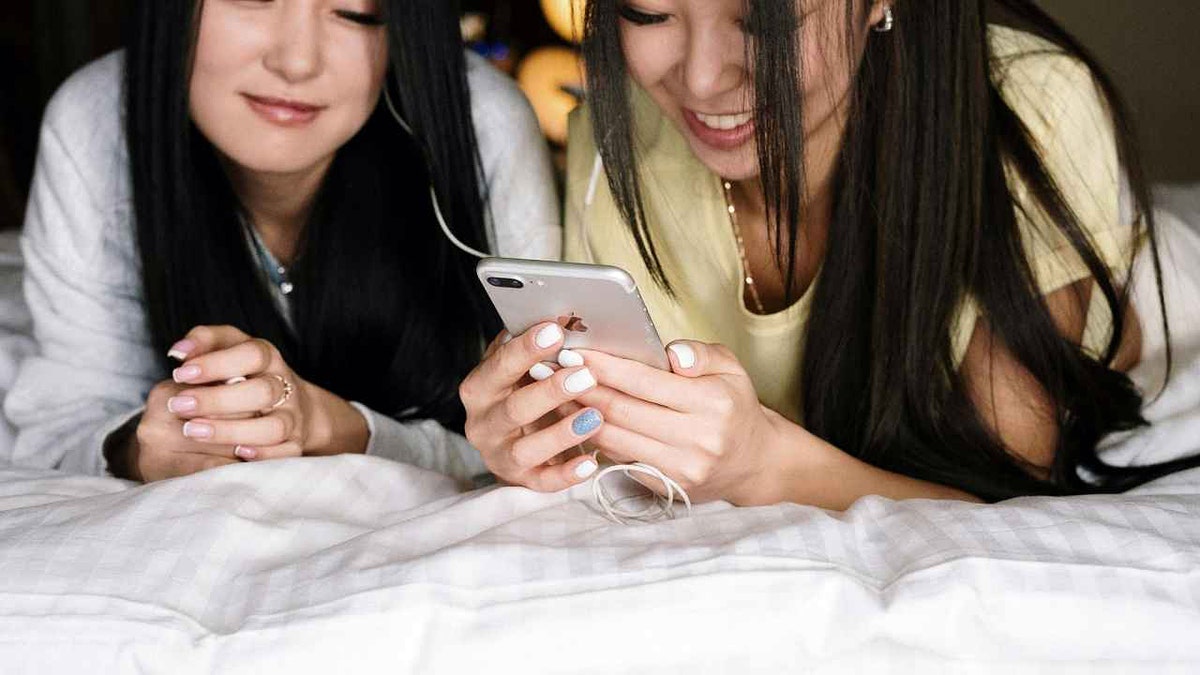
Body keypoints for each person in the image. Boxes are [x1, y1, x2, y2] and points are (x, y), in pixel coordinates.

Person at [459, 0, 1200, 506]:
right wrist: (538, 437)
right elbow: (629, 449)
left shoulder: (1033, 109)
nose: (703, 77)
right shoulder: (611, 147)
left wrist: (760, 462)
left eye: (762, 20)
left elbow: (1002, 498)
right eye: (648, 11)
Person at [4, 0, 559, 483]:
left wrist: (335, 427)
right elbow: (66, 423)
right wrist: (144, 447)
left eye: (356, 13)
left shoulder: (481, 127)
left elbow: (534, 438)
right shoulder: (96, 122)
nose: (296, 62)